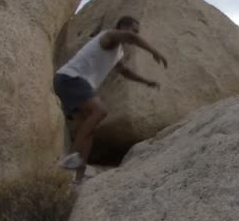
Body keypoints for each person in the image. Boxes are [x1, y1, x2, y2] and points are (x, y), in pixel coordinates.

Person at [53, 16, 168, 183]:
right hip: (70, 78)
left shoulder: (117, 51)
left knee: (89, 129)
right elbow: (131, 38)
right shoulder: (109, 36)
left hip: (73, 82)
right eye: (133, 30)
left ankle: (78, 177)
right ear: (121, 27)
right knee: (100, 111)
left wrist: (146, 82)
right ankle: (71, 156)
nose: (134, 35)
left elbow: (124, 71)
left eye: (137, 32)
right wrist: (154, 51)